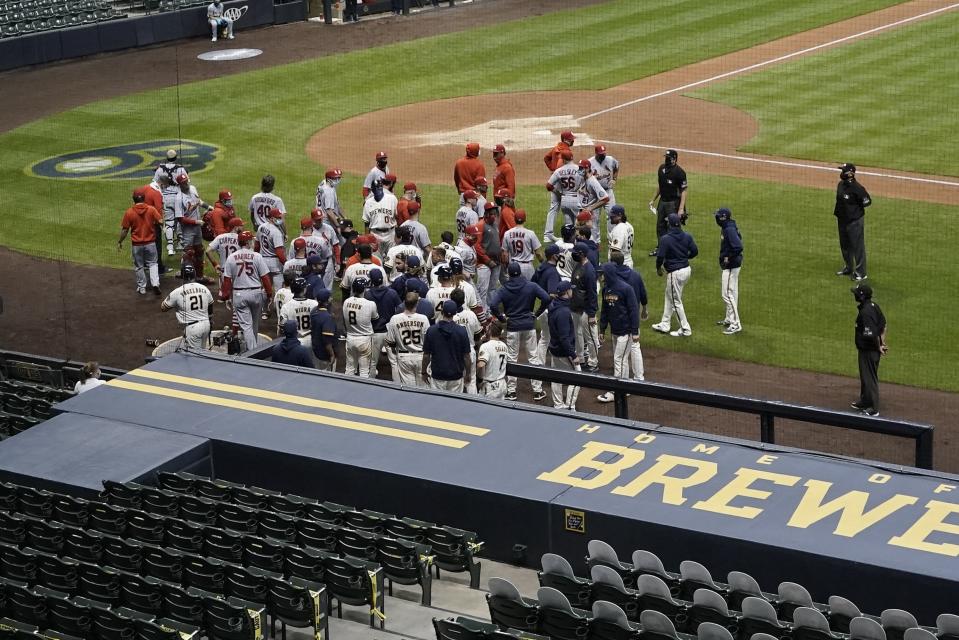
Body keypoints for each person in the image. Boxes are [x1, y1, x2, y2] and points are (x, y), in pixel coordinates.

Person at [489, 261, 550, 401]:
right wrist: (537, 313)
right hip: (529, 325)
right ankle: (537, 390)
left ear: (509, 274)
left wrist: (502, 318)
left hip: (512, 327)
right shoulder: (531, 285)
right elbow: (546, 298)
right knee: (533, 357)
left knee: (511, 358)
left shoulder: (504, 288)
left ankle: (511, 392)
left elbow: (493, 304)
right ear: (520, 272)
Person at [219, 230, 274, 351]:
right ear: (248, 242)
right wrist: (269, 294)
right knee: (254, 324)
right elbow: (265, 277)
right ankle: (254, 351)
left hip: (239, 294)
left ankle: (252, 352)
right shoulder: (257, 256)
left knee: (246, 326)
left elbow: (227, 280)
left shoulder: (231, 258)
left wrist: (226, 297)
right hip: (256, 293)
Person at [597, 262, 640, 403]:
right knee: (622, 360)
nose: (599, 276)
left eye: (601, 273)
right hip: (615, 331)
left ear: (608, 273)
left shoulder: (625, 289)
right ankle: (625, 388)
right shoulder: (606, 290)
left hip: (626, 331)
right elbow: (604, 311)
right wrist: (602, 329)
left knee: (618, 359)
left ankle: (616, 390)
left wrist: (634, 331)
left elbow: (634, 311)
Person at [652, 213, 698, 337]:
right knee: (669, 296)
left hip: (675, 273)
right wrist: (684, 257)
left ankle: (685, 329)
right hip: (686, 270)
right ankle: (665, 323)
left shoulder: (665, 239)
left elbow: (660, 257)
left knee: (676, 301)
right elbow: (695, 251)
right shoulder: (687, 236)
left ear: (670, 224)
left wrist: (658, 269)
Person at [117, 187, 163, 296]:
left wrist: (120, 241)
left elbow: (125, 230)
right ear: (144, 198)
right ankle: (155, 283)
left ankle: (142, 288)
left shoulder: (129, 212)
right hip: (151, 243)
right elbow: (160, 221)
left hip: (137, 245)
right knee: (153, 264)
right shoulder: (151, 209)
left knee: (139, 266)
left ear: (134, 199)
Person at [851, 282, 887, 417]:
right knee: (866, 376)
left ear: (862, 297)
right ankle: (865, 400)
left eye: (856, 293)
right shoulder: (874, 306)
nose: (854, 295)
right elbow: (884, 324)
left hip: (869, 351)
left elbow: (870, 334)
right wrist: (883, 343)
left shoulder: (866, 312)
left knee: (869, 377)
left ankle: (873, 408)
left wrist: (878, 346)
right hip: (872, 349)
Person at [611, 251, 648, 380]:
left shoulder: (613, 278)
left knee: (620, 354)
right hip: (634, 316)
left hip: (620, 319)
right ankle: (639, 378)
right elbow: (643, 294)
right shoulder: (635, 275)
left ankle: (622, 380)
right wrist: (644, 309)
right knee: (635, 346)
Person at [422, 300, 472, 392]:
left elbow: (426, 355)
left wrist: (424, 372)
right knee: (454, 405)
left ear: (442, 312)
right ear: (455, 313)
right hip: (456, 377)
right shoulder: (461, 331)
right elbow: (466, 357)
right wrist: (468, 373)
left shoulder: (432, 330)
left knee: (437, 404)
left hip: (438, 376)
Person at [161, 264, 214, 349]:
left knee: (194, 358)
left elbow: (163, 307)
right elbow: (210, 305)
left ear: (182, 276)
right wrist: (210, 321)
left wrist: (177, 304)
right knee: (203, 354)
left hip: (192, 329)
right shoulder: (204, 288)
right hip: (206, 325)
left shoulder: (178, 292)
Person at [834, 163, 872, 281]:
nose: (841, 173)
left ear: (850, 174)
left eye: (843, 171)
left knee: (857, 247)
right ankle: (849, 267)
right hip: (842, 220)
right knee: (844, 245)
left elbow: (867, 201)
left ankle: (861, 273)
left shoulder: (857, 188)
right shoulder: (840, 185)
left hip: (854, 221)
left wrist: (854, 210)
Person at [173, 173, 213, 284]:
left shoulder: (193, 188)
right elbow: (180, 219)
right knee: (188, 253)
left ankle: (200, 276)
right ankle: (187, 277)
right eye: (183, 183)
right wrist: (197, 221)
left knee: (199, 251)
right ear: (179, 185)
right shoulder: (178, 198)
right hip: (187, 230)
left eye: (186, 181)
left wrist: (210, 208)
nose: (186, 184)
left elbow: (199, 201)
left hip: (197, 228)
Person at [547, 281, 581, 410]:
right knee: (577, 377)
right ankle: (569, 406)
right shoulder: (563, 312)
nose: (572, 291)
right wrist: (573, 355)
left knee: (557, 377)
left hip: (554, 348)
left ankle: (558, 404)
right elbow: (564, 338)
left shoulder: (553, 305)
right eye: (570, 290)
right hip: (563, 351)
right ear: (567, 292)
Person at [385, 292, 430, 387]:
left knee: (409, 389)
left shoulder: (395, 319)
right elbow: (428, 342)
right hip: (421, 357)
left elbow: (391, 343)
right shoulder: (424, 319)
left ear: (404, 303)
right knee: (424, 390)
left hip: (403, 357)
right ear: (417, 303)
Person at [648, 149, 688, 256]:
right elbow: (660, 186)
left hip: (673, 203)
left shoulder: (680, 172)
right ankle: (661, 248)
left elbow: (684, 191)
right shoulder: (661, 169)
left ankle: (674, 249)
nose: (666, 159)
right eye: (665, 157)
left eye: (668, 158)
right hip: (662, 202)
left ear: (674, 159)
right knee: (660, 226)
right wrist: (653, 199)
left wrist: (681, 208)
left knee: (673, 226)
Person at [365, 268, 401, 378]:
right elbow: (400, 308)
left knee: (372, 362)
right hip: (390, 332)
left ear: (371, 280)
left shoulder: (368, 295)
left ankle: (370, 385)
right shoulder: (392, 293)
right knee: (394, 362)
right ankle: (397, 384)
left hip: (375, 332)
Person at [569, 242, 599, 372]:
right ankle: (581, 358)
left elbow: (592, 294)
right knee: (578, 334)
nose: (572, 254)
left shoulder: (589, 270)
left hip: (586, 310)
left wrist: (592, 314)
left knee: (591, 337)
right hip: (576, 307)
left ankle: (593, 362)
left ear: (581, 254)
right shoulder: (578, 265)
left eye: (575, 252)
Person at [715, 207, 743, 335]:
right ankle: (729, 318)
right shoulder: (729, 226)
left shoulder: (729, 229)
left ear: (722, 218)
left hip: (731, 266)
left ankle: (735, 323)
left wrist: (728, 258)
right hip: (734, 265)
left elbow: (738, 246)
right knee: (733, 293)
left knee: (727, 294)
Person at [152, 150, 187, 256]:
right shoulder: (180, 168)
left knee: (169, 223)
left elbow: (155, 183)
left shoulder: (160, 169)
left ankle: (170, 248)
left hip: (165, 197)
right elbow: (186, 182)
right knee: (180, 220)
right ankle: (182, 243)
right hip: (178, 196)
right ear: (176, 158)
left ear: (166, 158)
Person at [343, 278, 378, 377]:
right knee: (364, 370)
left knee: (349, 368)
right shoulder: (370, 304)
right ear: (364, 289)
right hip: (364, 339)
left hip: (350, 338)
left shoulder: (346, 302)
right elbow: (375, 318)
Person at [544, 150, 581, 242]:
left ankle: (568, 245)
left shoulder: (558, 171)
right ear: (572, 157)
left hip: (564, 199)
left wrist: (558, 192)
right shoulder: (579, 169)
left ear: (563, 160)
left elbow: (548, 186)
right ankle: (578, 244)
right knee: (578, 224)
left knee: (568, 225)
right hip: (576, 199)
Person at [450, 288, 482, 393]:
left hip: (454, 353)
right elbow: (477, 336)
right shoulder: (471, 315)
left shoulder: (449, 317)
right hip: (469, 350)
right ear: (464, 301)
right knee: (471, 381)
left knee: (455, 382)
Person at [279, 277, 318, 355]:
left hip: (295, 341)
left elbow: (282, 329)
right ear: (304, 290)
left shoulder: (286, 306)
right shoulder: (315, 304)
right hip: (312, 340)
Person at [362, 179, 398, 262]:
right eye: (376, 188)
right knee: (377, 260)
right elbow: (366, 223)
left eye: (380, 188)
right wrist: (367, 239)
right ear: (372, 190)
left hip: (390, 234)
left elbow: (397, 217)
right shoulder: (368, 203)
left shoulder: (392, 199)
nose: (378, 190)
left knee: (393, 259)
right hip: (375, 235)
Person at [502, 211, 543, 280]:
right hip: (527, 267)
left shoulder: (507, 233)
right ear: (525, 220)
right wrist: (543, 262)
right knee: (529, 288)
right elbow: (538, 253)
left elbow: (505, 255)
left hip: (513, 266)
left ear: (514, 219)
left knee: (514, 288)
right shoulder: (530, 234)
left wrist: (507, 267)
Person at [577, 159, 610, 244]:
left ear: (587, 169)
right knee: (581, 235)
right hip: (583, 211)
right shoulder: (583, 179)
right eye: (579, 168)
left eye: (582, 168)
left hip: (590, 214)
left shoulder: (592, 182)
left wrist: (590, 208)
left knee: (593, 237)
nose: (580, 170)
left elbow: (606, 198)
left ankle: (595, 253)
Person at [257, 207, 287, 294]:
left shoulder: (261, 227)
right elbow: (279, 252)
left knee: (266, 289)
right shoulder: (276, 232)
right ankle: (278, 307)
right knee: (279, 291)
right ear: (271, 218)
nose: (280, 219)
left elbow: (257, 245)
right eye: (278, 218)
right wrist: (286, 263)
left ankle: (262, 306)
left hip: (263, 261)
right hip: (275, 263)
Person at [476, 323, 509, 399]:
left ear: (490, 332)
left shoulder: (486, 346)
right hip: (502, 384)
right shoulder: (504, 346)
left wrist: (479, 380)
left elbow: (481, 364)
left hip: (490, 387)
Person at [309, 288, 337, 371]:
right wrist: (332, 354)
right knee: (328, 377)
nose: (331, 299)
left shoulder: (314, 311)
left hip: (316, 349)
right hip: (325, 355)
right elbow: (327, 341)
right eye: (330, 298)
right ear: (326, 302)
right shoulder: (327, 317)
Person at [589, 144, 619, 221]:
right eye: (600, 154)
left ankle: (612, 233)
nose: (603, 155)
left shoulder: (611, 159)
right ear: (596, 153)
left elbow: (617, 166)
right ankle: (594, 234)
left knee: (612, 215)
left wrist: (614, 179)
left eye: (604, 153)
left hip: (608, 191)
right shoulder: (590, 162)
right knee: (594, 219)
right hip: (595, 195)